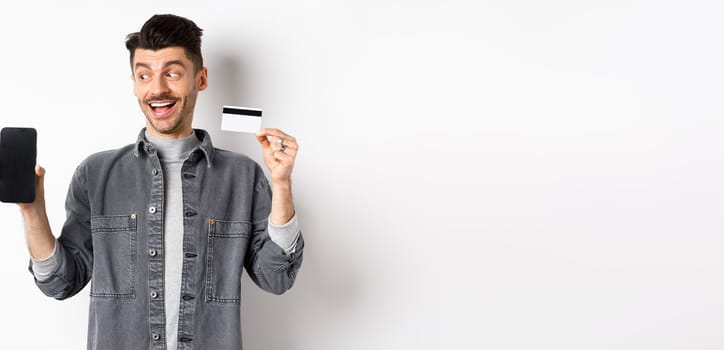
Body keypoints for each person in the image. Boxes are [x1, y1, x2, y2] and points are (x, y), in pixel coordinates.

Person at [18, 14, 304, 350]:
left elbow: (276, 277)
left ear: (200, 79)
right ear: (134, 83)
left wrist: (282, 183)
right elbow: (61, 283)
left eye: (172, 73)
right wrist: (31, 209)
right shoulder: (95, 175)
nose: (157, 89)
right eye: (144, 75)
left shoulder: (242, 176)